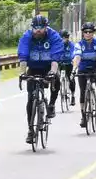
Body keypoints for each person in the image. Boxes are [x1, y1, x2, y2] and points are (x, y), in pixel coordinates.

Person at [17, 14, 61, 144]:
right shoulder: (27, 37)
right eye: (35, 28)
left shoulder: (54, 36)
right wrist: (22, 73)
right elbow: (23, 56)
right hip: (33, 68)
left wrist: (52, 72)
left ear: (46, 27)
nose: (38, 30)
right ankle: (31, 130)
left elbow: (55, 57)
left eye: (41, 28)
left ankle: (52, 104)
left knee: (56, 78)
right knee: (31, 98)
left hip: (48, 66)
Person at [72, 22, 96, 127]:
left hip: (95, 67)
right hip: (83, 68)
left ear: (93, 33)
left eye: (90, 32)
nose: (88, 33)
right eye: (85, 32)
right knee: (82, 92)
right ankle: (83, 116)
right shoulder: (79, 44)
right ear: (83, 33)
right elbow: (77, 57)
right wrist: (74, 70)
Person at [55, 28, 76, 102]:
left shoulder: (71, 45)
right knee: (55, 77)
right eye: (62, 38)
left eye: (65, 38)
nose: (64, 39)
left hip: (69, 63)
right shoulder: (57, 45)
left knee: (71, 79)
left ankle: (73, 95)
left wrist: (73, 59)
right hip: (60, 63)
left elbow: (73, 53)